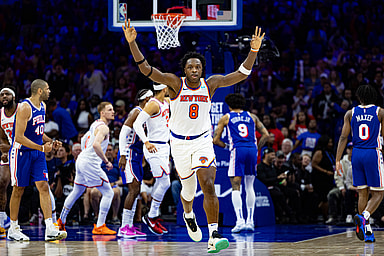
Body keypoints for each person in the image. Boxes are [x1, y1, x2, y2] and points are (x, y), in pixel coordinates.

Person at [123, 19, 264, 253]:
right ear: (185, 69)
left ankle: (213, 235)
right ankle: (188, 214)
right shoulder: (174, 84)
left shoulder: (212, 84)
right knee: (188, 193)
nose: (195, 70)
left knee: (208, 184)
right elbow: (146, 69)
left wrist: (253, 50)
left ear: (202, 69)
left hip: (202, 142)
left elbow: (241, 74)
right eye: (190, 67)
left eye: (198, 66)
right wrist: (132, 43)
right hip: (178, 144)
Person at [7, 79, 66, 241]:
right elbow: (18, 137)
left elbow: (39, 132)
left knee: (44, 186)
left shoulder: (43, 106)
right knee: (18, 189)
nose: (49, 91)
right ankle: (13, 228)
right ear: (39, 91)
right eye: (47, 89)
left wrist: (50, 141)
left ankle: (50, 228)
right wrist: (41, 147)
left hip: (37, 154)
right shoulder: (25, 107)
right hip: (21, 153)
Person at [57, 102, 116, 235]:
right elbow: (96, 145)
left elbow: (84, 139)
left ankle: (61, 220)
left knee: (77, 191)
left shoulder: (94, 124)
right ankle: (100, 226)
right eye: (110, 110)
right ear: (102, 113)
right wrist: (106, 161)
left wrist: (84, 154)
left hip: (82, 160)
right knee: (108, 193)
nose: (113, 112)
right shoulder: (104, 128)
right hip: (89, 162)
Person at [213, 93, 268, 233]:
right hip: (252, 149)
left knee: (236, 186)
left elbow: (215, 140)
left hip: (238, 150)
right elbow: (266, 135)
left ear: (229, 105)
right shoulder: (252, 116)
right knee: (250, 186)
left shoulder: (226, 117)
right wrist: (257, 147)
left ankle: (240, 221)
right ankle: (250, 221)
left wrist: (226, 147)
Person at [336, 84, 384, 243]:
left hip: (356, 153)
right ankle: (364, 217)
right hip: (372, 152)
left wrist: (337, 160)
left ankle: (368, 231)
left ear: (359, 98)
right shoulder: (380, 112)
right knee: (378, 193)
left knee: (362, 193)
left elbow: (343, 138)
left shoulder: (350, 113)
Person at [133, 83, 171, 235]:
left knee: (162, 182)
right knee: (165, 182)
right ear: (164, 88)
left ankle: (153, 215)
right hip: (153, 146)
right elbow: (137, 124)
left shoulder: (165, 102)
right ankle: (151, 215)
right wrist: (146, 141)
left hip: (164, 147)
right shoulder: (153, 105)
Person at [118, 89, 153, 239]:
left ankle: (130, 225)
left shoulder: (146, 114)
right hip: (129, 154)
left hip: (137, 155)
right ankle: (124, 227)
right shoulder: (136, 112)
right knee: (133, 190)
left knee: (137, 190)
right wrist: (123, 155)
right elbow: (122, 133)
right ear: (146, 100)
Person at [0, 86, 18, 238]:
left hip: (25, 150)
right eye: (1, 94)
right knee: (2, 181)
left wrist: (11, 147)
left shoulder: (21, 110)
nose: (4, 96)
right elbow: (1, 137)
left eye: (7, 94)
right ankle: (1, 222)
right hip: (11, 151)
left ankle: (51, 219)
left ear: (13, 96)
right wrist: (5, 151)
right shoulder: (0, 113)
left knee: (40, 185)